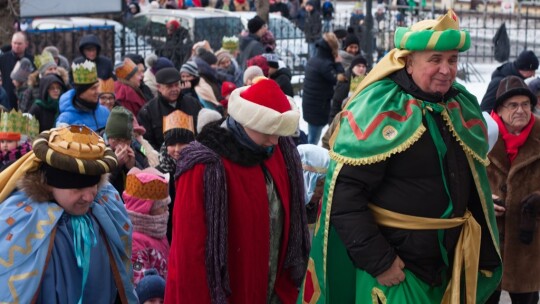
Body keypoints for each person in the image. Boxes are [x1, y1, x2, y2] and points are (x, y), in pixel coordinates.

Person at [299, 10, 502, 303]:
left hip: (449, 267)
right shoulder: (380, 110)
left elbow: (461, 175)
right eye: (435, 60)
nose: (446, 69)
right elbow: (345, 197)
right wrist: (380, 262)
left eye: (453, 60)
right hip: (399, 272)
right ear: (408, 62)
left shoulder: (458, 106)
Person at [165, 78, 310, 303]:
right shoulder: (205, 167)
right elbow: (189, 253)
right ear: (246, 120)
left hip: (272, 291)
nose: (274, 139)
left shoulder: (279, 151)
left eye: (279, 133)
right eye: (267, 130)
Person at [0, 125, 138, 303]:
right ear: (50, 184)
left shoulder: (105, 210)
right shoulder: (21, 220)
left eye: (94, 185)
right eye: (78, 188)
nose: (89, 197)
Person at [485, 76, 540, 304]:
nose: (521, 110)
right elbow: (464, 178)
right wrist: (484, 199)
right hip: (489, 239)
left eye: (526, 104)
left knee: (526, 297)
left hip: (529, 241)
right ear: (499, 109)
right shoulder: (482, 134)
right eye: (513, 105)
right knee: (485, 295)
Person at [123, 167, 170, 285]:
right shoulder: (134, 241)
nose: (167, 210)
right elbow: (141, 282)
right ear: (147, 209)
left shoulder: (156, 230)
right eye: (162, 206)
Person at [155, 110, 197, 241]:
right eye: (172, 144)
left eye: (182, 143)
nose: (177, 149)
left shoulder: (199, 168)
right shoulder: (159, 173)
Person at [137, 67, 202, 150]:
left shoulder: (193, 103)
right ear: (159, 87)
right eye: (169, 86)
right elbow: (146, 143)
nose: (174, 89)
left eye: (177, 85)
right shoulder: (148, 111)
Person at [302, 32, 345, 145]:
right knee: (313, 141)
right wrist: (339, 63)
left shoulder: (314, 59)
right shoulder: (325, 65)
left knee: (312, 136)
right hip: (319, 108)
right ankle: (306, 161)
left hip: (311, 106)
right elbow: (340, 79)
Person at [56, 61, 110, 132]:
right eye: (93, 88)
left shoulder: (105, 112)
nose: (98, 92)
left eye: (97, 87)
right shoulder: (65, 120)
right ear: (81, 92)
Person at [0, 32, 34, 110]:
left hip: (26, 100)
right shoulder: (3, 59)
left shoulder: (32, 60)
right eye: (14, 43)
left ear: (26, 44)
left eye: (19, 44)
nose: (16, 46)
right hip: (7, 98)